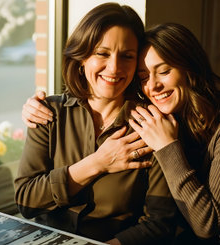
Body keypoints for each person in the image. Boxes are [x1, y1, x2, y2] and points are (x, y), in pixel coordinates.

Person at [22, 23, 220, 244]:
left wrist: (167, 145)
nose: (154, 85)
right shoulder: (157, 116)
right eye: (143, 76)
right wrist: (40, 106)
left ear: (190, 69)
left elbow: (208, 225)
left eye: (164, 71)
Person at [14, 3, 177, 245]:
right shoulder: (48, 113)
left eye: (127, 56)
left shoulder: (152, 126)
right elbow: (26, 201)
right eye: (102, 53)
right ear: (81, 58)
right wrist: (97, 163)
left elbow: (159, 223)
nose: (114, 68)